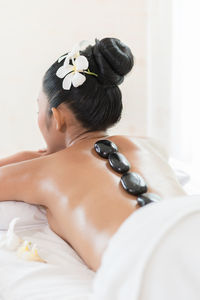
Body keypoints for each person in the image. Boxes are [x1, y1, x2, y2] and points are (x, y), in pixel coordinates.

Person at [0, 37, 186, 272]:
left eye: (40, 109)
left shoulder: (41, 172)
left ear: (58, 118)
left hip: (144, 268)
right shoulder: (151, 147)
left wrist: (28, 158)